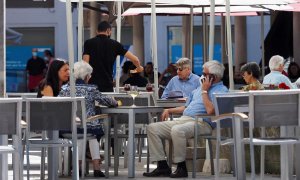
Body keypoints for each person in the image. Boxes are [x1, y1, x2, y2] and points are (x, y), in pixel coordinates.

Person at [143, 60, 228, 178]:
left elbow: (211, 111)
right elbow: (186, 107)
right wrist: (169, 110)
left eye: (205, 74)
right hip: (184, 119)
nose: (202, 76)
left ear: (214, 76)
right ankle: (162, 166)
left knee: (178, 130)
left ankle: (181, 167)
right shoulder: (198, 89)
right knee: (152, 128)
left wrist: (204, 91)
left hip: (202, 123)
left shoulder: (221, 90)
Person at [59, 61, 118, 177]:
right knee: (92, 136)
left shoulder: (65, 88)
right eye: (89, 75)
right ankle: (96, 168)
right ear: (86, 76)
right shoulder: (91, 89)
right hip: (89, 126)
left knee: (81, 136)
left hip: (69, 126)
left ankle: (79, 168)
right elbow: (107, 101)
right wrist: (115, 101)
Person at [83, 21, 144, 92]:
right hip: (107, 84)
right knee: (108, 102)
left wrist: (86, 80)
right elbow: (135, 59)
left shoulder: (88, 43)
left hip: (92, 84)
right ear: (108, 31)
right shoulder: (115, 44)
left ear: (97, 31)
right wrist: (139, 67)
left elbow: (85, 64)